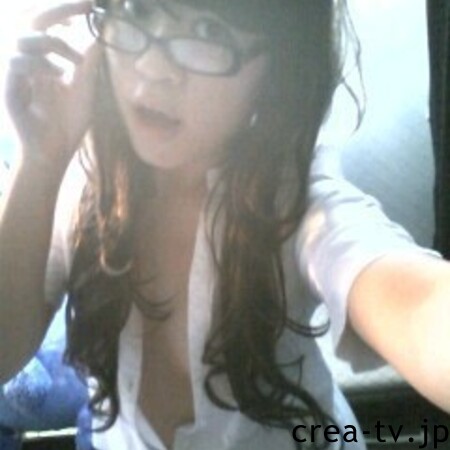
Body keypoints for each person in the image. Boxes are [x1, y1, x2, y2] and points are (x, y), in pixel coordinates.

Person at [0, 0, 449, 449]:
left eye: (208, 31)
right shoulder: (79, 173)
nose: (153, 67)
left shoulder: (296, 203)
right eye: (138, 10)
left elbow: (414, 300)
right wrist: (39, 162)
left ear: (278, 64)